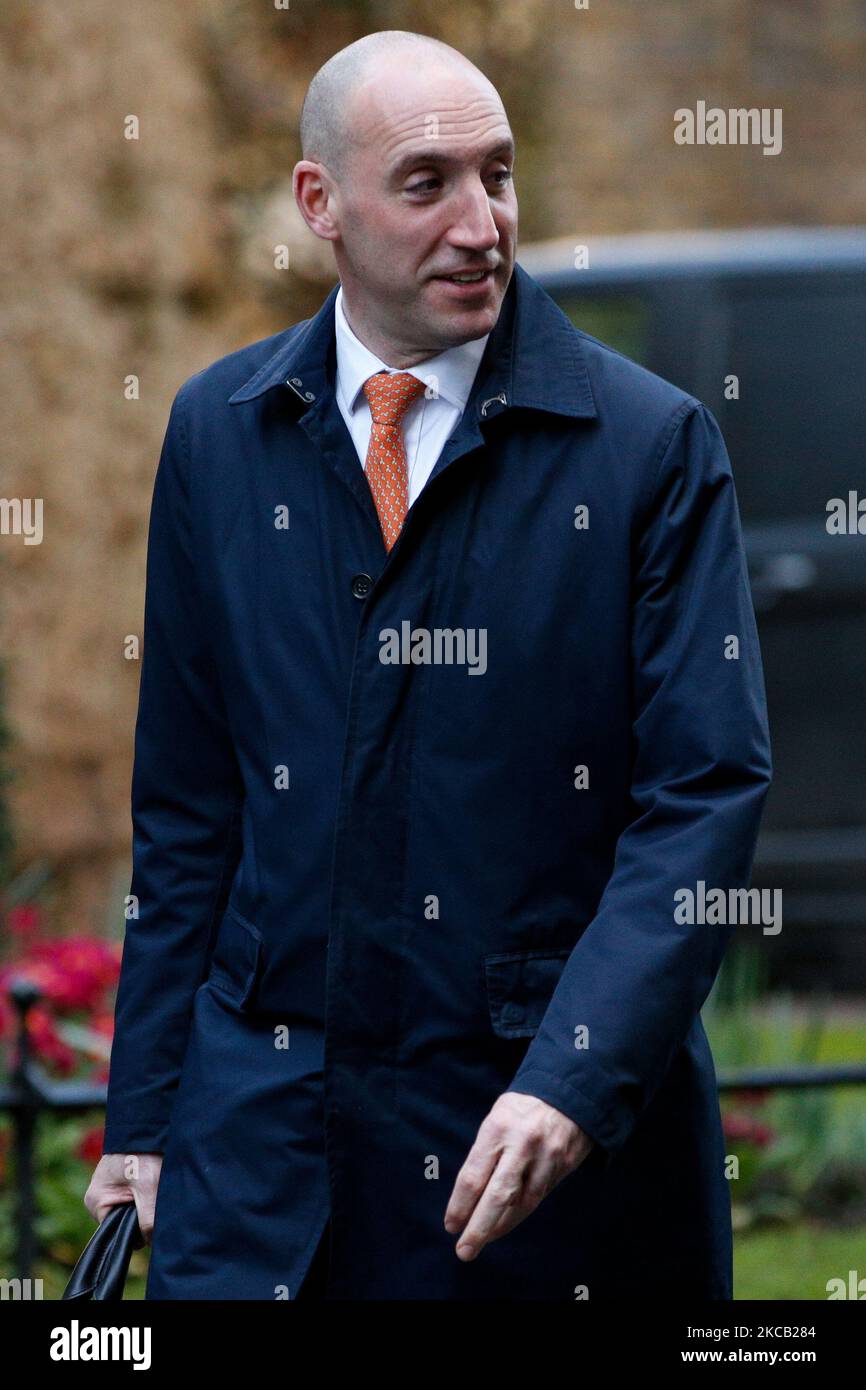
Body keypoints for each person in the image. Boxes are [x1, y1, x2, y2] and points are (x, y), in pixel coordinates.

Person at [85, 29, 772, 1300]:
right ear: (319, 204)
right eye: (427, 183)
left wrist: (569, 1079)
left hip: (524, 1175)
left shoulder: (650, 449)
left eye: (498, 176)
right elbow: (187, 814)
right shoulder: (218, 434)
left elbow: (702, 797)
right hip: (263, 1160)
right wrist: (142, 1119)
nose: (479, 224)